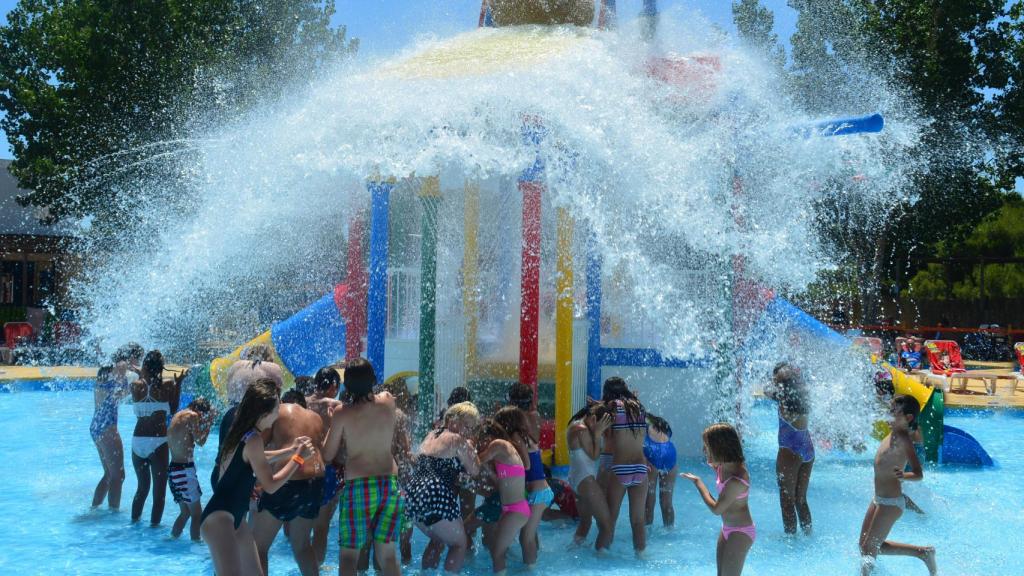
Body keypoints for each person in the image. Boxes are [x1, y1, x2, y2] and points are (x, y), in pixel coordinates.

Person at [200, 378, 315, 576]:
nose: (280, 409)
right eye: (277, 405)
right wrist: (297, 459)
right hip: (219, 519)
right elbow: (270, 485)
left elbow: (257, 458)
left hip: (233, 517)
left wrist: (291, 450)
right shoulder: (253, 439)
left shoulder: (243, 432)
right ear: (265, 412)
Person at [321, 358, 404, 576]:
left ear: (346, 386)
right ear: (374, 380)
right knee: (387, 554)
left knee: (349, 556)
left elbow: (327, 455)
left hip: (359, 486)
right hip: (389, 484)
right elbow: (371, 404)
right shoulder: (388, 402)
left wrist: (333, 421)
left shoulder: (342, 414)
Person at [858, 396, 937, 576]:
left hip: (891, 502)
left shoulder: (903, 438)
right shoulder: (892, 432)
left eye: (895, 411)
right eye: (890, 409)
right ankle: (923, 553)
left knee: (870, 549)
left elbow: (918, 473)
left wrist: (904, 475)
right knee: (864, 546)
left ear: (908, 418)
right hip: (878, 499)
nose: (890, 413)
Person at [252, 390, 326, 576]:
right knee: (302, 546)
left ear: (282, 402)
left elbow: (255, 451)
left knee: (258, 546)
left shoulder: (278, 412)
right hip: (314, 483)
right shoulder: (315, 417)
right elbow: (323, 453)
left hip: (288, 482)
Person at [404, 401, 480, 573]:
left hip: (413, 496)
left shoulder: (431, 434)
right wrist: (472, 448)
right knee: (460, 543)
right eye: (466, 426)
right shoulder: (456, 439)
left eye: (471, 428)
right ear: (453, 419)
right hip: (435, 495)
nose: (467, 431)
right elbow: (475, 470)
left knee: (438, 540)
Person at [681, 423, 755, 576]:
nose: (704, 450)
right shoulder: (722, 467)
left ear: (720, 448)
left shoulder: (737, 479)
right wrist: (712, 461)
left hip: (741, 532)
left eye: (707, 446)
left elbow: (717, 509)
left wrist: (698, 483)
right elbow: (714, 464)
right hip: (727, 528)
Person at [212, 344, 285, 488]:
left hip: (231, 415)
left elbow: (228, 393)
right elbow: (275, 398)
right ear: (269, 357)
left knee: (225, 453)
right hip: (253, 416)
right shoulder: (273, 368)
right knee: (255, 458)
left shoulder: (235, 366)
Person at [130, 350, 184, 525]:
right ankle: (154, 527)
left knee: (142, 489)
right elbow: (174, 409)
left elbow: (145, 382)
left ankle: (134, 522)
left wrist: (141, 373)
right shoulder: (167, 386)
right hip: (158, 441)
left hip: (137, 442)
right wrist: (179, 384)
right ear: (161, 367)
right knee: (159, 493)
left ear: (145, 366)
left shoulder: (136, 386)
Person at [476, 412, 532, 575]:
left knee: (497, 552)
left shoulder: (499, 444)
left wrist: (464, 449)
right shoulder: (504, 453)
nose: (482, 444)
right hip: (512, 509)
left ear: (490, 435)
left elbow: (477, 459)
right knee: (498, 550)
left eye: (482, 440)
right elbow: (499, 482)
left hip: (515, 510)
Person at [601, 376, 649, 556]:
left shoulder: (612, 410)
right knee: (638, 520)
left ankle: (602, 555)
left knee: (610, 519)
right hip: (641, 468)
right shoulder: (640, 408)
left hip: (620, 467)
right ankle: (641, 555)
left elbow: (608, 437)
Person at [764, 362, 813, 535]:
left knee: (787, 501)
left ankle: (790, 541)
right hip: (807, 449)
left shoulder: (783, 400)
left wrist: (773, 380)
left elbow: (766, 390)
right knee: (801, 499)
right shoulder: (803, 397)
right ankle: (808, 534)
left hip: (789, 451)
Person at [506, 384, 550, 568]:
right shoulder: (534, 417)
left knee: (525, 538)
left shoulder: (517, 430)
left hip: (537, 490)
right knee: (530, 534)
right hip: (537, 487)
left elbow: (525, 464)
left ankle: (531, 569)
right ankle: (534, 560)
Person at [306, 365, 345, 565]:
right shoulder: (335, 405)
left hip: (303, 470)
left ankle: (308, 566)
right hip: (327, 469)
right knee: (321, 527)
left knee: (303, 527)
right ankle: (317, 568)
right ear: (334, 386)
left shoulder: (302, 404)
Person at [89, 347, 136, 510]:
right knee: (118, 476)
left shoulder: (105, 370)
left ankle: (94, 508)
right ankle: (113, 514)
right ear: (130, 358)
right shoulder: (121, 367)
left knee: (109, 474)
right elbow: (120, 392)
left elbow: (115, 394)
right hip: (107, 427)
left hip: (96, 425)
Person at [566, 403, 612, 549]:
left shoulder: (576, 425)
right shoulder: (582, 429)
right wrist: (598, 435)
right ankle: (600, 562)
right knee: (606, 525)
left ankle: (573, 549)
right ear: (592, 418)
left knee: (586, 522)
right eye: (601, 426)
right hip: (585, 480)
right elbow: (594, 456)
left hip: (577, 478)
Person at [168, 397, 215, 540]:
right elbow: (200, 441)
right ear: (200, 411)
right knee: (196, 514)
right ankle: (196, 545)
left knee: (185, 513)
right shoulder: (193, 415)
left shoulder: (179, 414)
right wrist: (209, 423)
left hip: (173, 471)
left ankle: (172, 539)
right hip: (184, 471)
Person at [643, 413, 678, 528]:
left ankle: (647, 530)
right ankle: (669, 530)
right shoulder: (664, 426)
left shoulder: (644, 424)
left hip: (653, 454)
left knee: (649, 498)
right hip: (670, 455)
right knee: (667, 501)